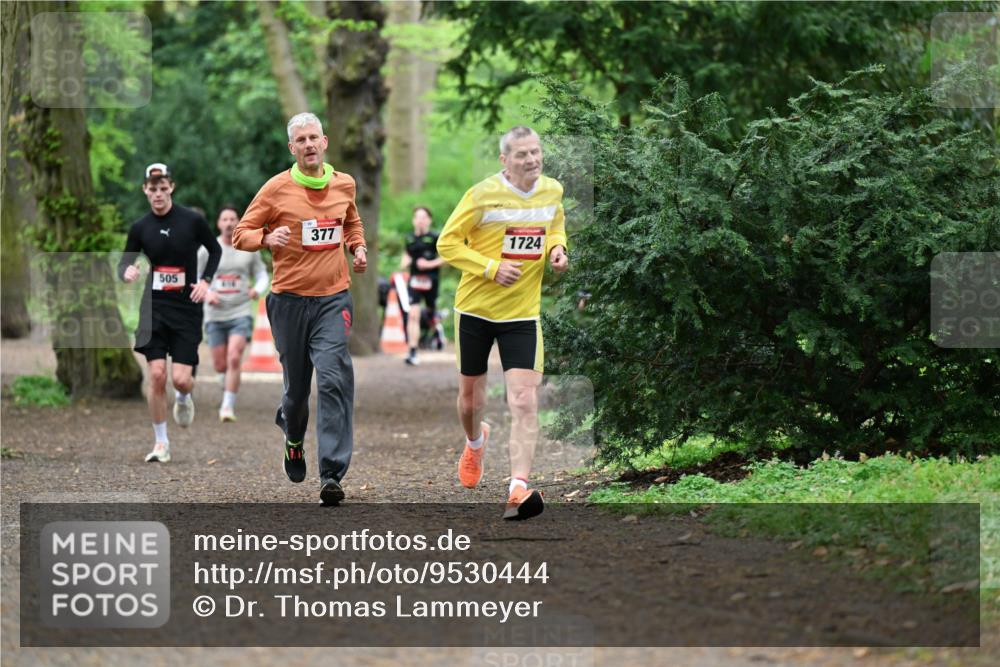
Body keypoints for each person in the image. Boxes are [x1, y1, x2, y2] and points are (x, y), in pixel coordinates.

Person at [233, 112, 367, 506]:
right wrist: (265, 236)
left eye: (314, 138)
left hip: (333, 299)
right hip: (289, 302)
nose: (309, 145)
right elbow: (241, 234)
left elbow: (351, 224)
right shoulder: (276, 189)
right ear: (292, 148)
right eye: (301, 140)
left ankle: (331, 473)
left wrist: (357, 247)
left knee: (333, 378)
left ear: (325, 142)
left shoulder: (345, 184)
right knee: (296, 392)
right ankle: (293, 437)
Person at [437, 126, 568, 520]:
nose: (532, 160)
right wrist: (491, 267)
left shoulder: (552, 191)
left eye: (536, 152)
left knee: (525, 400)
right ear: (505, 160)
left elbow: (554, 225)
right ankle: (475, 442)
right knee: (470, 400)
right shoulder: (481, 195)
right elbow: (447, 243)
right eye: (522, 154)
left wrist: (558, 249)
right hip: (475, 310)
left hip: (522, 315)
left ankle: (518, 488)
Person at [118, 163, 222, 463]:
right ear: (145, 191)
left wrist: (205, 282)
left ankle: (185, 396)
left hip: (187, 307)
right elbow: (124, 262)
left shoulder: (191, 221)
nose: (158, 194)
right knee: (157, 374)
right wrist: (127, 272)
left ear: (171, 188)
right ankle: (161, 443)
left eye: (163, 188)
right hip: (154, 308)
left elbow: (214, 251)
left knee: (180, 380)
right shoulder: (140, 227)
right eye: (153, 189)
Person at [197, 204, 270, 422]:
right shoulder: (207, 250)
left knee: (234, 357)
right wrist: (207, 293)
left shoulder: (248, 248)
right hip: (214, 313)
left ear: (238, 222)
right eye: (224, 219)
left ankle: (227, 406)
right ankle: (226, 381)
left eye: (232, 219)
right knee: (220, 364)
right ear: (218, 224)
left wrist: (257, 289)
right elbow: (196, 276)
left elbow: (261, 274)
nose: (229, 223)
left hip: (240, 311)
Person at [399, 206, 444, 365]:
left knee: (431, 313)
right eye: (418, 217)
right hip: (415, 281)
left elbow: (446, 257)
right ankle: (412, 351)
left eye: (424, 217)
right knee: (413, 314)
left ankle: (438, 331)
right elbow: (407, 254)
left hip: (431, 281)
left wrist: (429, 264)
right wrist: (404, 262)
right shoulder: (409, 238)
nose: (420, 220)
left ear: (429, 220)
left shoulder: (435, 237)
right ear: (413, 220)